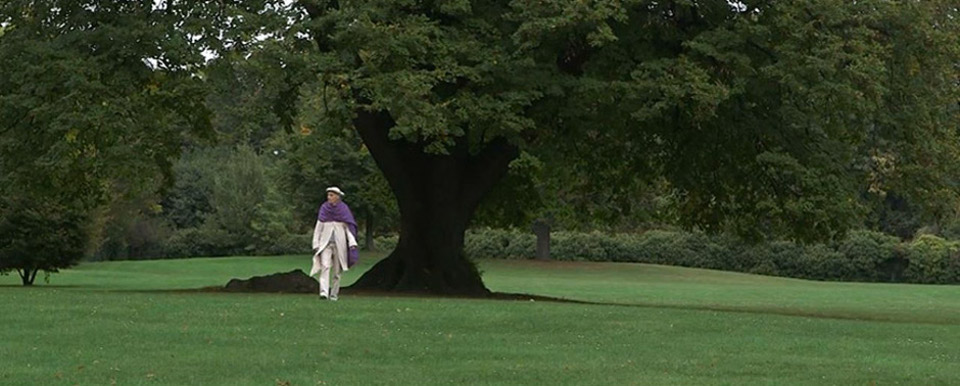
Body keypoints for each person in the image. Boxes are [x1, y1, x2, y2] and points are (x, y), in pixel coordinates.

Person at [310, 187, 359, 300]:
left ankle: (334, 294)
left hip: (339, 245)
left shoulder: (343, 209)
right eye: (328, 195)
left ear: (337, 196)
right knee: (325, 267)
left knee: (337, 271)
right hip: (325, 244)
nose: (329, 197)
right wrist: (315, 243)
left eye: (331, 195)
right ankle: (324, 292)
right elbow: (318, 228)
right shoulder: (324, 209)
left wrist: (352, 242)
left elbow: (348, 228)